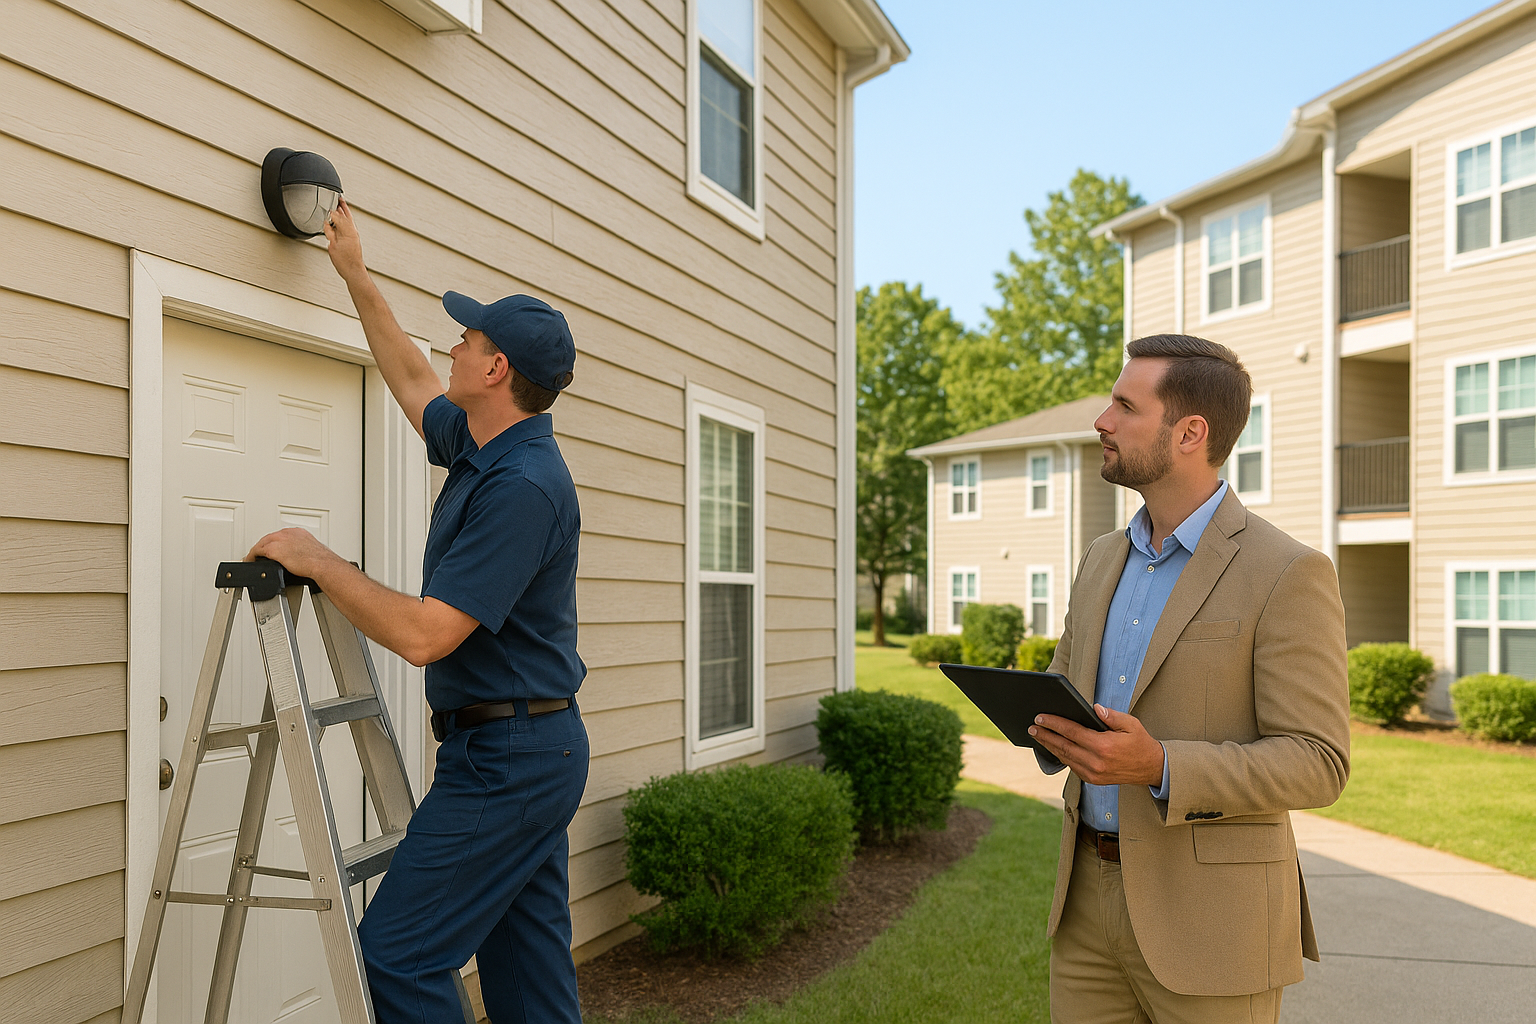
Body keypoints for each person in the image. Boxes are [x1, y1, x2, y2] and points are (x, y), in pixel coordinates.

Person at [246, 197, 589, 1024]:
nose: (453, 347)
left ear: (497, 370)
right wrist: (355, 275)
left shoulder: (523, 487)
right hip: (519, 746)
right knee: (527, 979)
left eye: (467, 339)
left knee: (397, 957)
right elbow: (411, 378)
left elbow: (426, 635)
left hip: (510, 758)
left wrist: (319, 561)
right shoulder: (485, 444)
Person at [1027, 334, 1350, 1024]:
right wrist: (1041, 721)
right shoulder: (1100, 557)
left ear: (1189, 434)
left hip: (1215, 927)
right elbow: (1066, 685)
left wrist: (1160, 765)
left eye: (1125, 406)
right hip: (1084, 908)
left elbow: (1319, 762)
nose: (1102, 421)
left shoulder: (1288, 572)